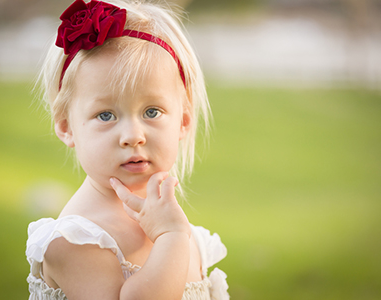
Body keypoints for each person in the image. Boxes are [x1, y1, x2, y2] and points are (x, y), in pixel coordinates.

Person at [25, 0, 228, 299]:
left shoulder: (178, 228)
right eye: (106, 115)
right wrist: (172, 238)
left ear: (183, 122)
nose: (133, 136)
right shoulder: (77, 240)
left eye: (152, 112)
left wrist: (174, 235)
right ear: (67, 127)